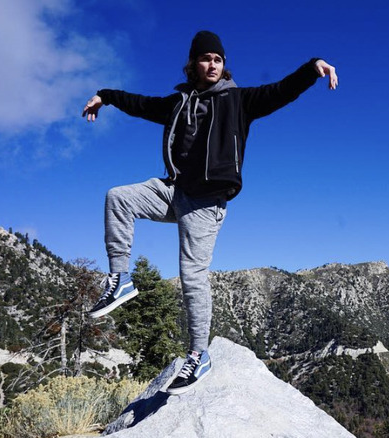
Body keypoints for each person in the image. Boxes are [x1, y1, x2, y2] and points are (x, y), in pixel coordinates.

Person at [81, 30, 337, 395]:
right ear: (193, 64)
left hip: (207, 202)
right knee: (118, 197)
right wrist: (105, 96)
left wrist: (313, 67)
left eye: (218, 59)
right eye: (206, 58)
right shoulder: (178, 102)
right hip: (174, 190)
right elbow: (140, 103)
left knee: (191, 274)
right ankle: (120, 279)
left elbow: (281, 90)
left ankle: (198, 354)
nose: (213, 64)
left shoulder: (240, 101)